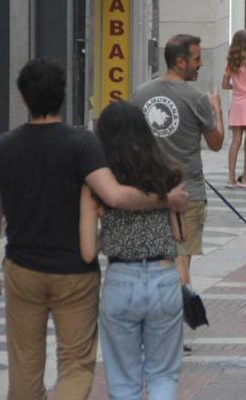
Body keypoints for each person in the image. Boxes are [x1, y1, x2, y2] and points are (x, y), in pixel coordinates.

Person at [0, 58, 188, 400]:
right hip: (75, 272)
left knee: (24, 365)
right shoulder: (82, 145)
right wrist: (166, 199)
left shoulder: (2, 146)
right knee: (76, 364)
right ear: (63, 95)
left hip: (21, 267)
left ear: (22, 98)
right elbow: (116, 196)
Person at [79, 102, 185, 399]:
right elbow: (179, 234)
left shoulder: (97, 185)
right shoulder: (169, 173)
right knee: (163, 374)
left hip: (120, 278)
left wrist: (109, 235)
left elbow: (88, 250)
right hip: (164, 276)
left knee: (123, 380)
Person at [134, 34, 224, 287]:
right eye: (197, 59)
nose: (201, 64)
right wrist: (217, 109)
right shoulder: (197, 99)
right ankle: (176, 311)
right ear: (181, 61)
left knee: (155, 261)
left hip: (149, 192)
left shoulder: (141, 94)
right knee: (180, 260)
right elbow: (216, 143)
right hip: (188, 194)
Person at [221, 30, 246, 188]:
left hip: (237, 103)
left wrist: (236, 87)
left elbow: (224, 85)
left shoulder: (231, 63)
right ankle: (245, 177)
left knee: (235, 141)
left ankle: (230, 178)